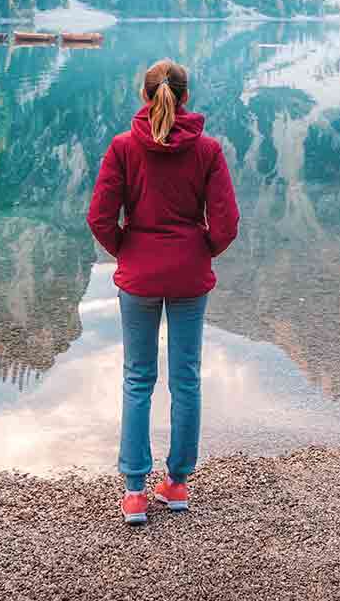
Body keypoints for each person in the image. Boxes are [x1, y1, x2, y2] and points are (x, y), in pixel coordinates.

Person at [86, 58, 239, 526]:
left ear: (144, 96)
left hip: (139, 278)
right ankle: (176, 484)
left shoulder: (123, 147)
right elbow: (227, 224)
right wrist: (199, 249)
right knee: (186, 378)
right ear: (185, 97)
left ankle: (134, 492)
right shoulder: (208, 150)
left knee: (138, 378)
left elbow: (99, 217)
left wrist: (128, 251)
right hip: (190, 275)